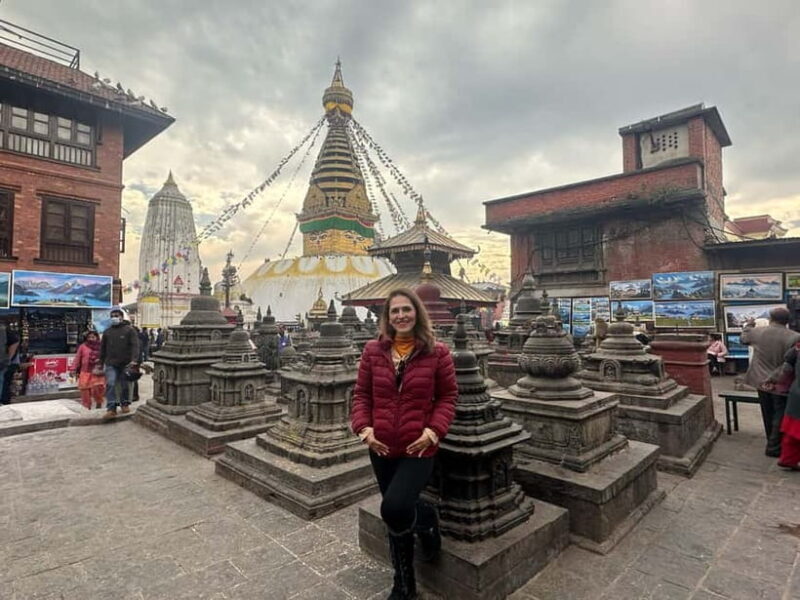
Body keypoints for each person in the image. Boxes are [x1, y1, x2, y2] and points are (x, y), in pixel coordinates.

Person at [351, 288, 457, 600]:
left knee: (395, 506)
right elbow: (362, 394)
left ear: (417, 313)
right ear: (387, 317)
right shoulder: (373, 351)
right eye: (394, 311)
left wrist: (434, 431)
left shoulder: (437, 353)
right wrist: (364, 429)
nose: (401, 316)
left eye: (406, 309)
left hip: (418, 447)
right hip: (381, 447)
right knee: (395, 514)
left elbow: (448, 397)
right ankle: (404, 584)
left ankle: (425, 519)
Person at [741, 307, 800, 457]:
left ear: (771, 319)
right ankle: (774, 445)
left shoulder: (758, 332)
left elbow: (744, 338)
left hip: (760, 380)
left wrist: (749, 324)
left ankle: (771, 441)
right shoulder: (795, 337)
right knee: (780, 412)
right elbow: (790, 361)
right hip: (782, 381)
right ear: (787, 320)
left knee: (767, 411)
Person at [100, 307, 139, 419]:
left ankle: (124, 403)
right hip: (110, 363)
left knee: (124, 384)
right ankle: (111, 408)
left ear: (121, 317)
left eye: (116, 316)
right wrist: (100, 362)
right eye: (112, 316)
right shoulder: (107, 332)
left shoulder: (129, 330)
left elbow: (135, 346)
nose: (114, 318)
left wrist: (134, 359)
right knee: (110, 383)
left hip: (126, 363)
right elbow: (102, 348)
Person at [776, 342, 800, 469]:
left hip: (796, 392)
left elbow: (786, 369)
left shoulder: (797, 348)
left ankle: (788, 459)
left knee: (792, 432)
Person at [73, 331, 105, 410]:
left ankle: (99, 403)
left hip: (97, 372)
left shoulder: (102, 347)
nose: (91, 339)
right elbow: (77, 358)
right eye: (89, 337)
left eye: (93, 337)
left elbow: (106, 357)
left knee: (97, 389)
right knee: (84, 390)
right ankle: (86, 406)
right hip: (85, 372)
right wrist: (73, 368)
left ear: (97, 337)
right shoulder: (82, 346)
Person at [0, 325, 20, 405]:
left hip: (2, 362)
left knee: (3, 382)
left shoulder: (2, 330)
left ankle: (2, 402)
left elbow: (15, 342)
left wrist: (8, 358)